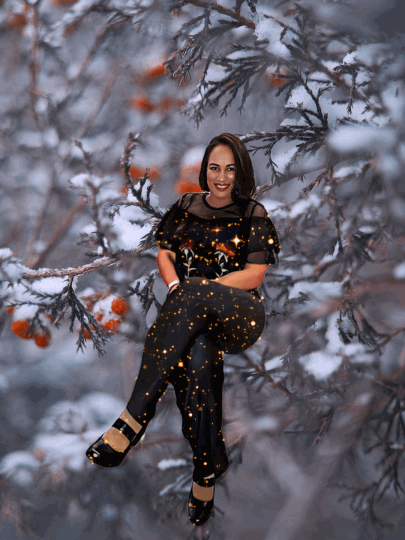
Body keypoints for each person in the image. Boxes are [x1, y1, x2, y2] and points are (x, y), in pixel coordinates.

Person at [86, 133, 281, 526]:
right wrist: (178, 286)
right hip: (194, 318)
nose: (222, 177)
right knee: (197, 361)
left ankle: (134, 416)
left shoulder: (253, 212)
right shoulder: (186, 206)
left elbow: (255, 274)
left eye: (230, 169)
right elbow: (166, 255)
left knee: (191, 312)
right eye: (215, 168)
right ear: (204, 170)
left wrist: (202, 289)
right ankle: (207, 467)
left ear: (240, 173)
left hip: (240, 313)